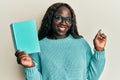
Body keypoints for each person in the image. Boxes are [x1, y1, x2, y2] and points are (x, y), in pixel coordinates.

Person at [15, 2, 107, 80]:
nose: (63, 22)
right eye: (58, 18)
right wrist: (30, 67)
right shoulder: (39, 47)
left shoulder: (81, 43)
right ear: (50, 19)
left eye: (68, 19)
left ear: (72, 22)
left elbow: (92, 77)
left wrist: (99, 50)